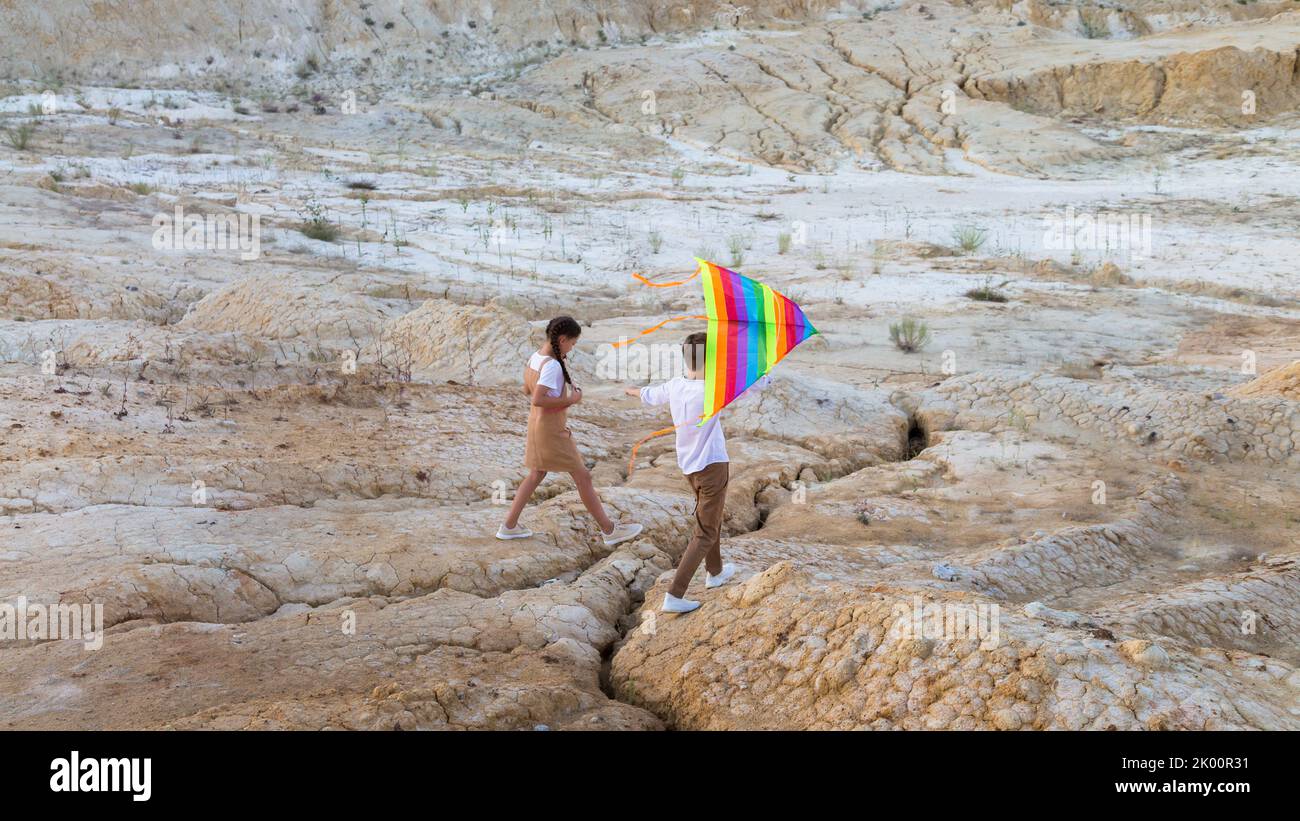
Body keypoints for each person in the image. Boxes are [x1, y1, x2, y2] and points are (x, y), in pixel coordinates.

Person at [625, 331, 769, 613]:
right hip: (712, 466)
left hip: (689, 467)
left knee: (709, 520)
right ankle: (675, 595)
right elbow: (758, 383)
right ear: (712, 358)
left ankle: (715, 573)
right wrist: (765, 366)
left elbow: (650, 395)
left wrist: (631, 390)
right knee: (705, 531)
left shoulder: (677, 386)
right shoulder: (715, 388)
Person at [498, 316, 643, 546]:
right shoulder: (552, 365)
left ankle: (509, 526)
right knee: (582, 476)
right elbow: (537, 399)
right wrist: (571, 399)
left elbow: (526, 389)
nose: (572, 349)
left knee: (537, 474)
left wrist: (558, 395)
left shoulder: (536, 357)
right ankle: (609, 529)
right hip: (551, 430)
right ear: (563, 339)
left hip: (536, 427)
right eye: (573, 344)